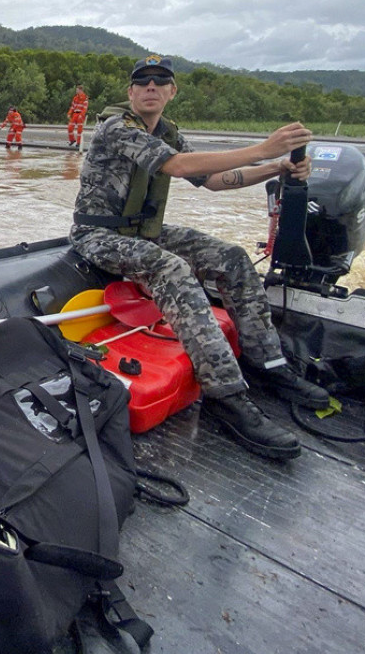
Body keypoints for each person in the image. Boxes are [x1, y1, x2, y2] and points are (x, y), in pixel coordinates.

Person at [69, 55, 329, 461]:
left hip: (143, 231)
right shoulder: (117, 127)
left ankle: (269, 364)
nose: (151, 87)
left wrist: (276, 166)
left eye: (160, 81)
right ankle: (226, 395)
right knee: (171, 268)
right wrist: (262, 148)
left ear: (173, 91)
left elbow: (213, 180)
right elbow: (178, 166)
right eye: (142, 82)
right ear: (131, 92)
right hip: (98, 234)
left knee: (231, 257)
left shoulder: (168, 132)